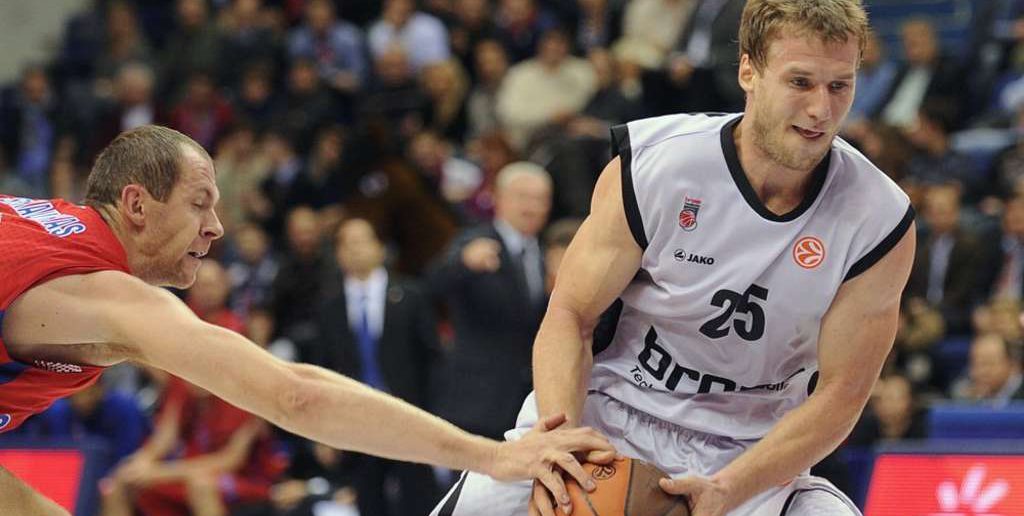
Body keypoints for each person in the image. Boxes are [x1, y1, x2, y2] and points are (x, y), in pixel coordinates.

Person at [430, 1, 916, 515]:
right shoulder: (657, 164)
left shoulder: (878, 219)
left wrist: (731, 487)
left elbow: (842, 395)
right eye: (801, 82)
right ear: (748, 71)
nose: (821, 109)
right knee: (486, 501)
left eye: (840, 86)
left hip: (751, 453)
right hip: (611, 414)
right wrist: (559, 441)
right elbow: (570, 316)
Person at [0, 125, 614, 516]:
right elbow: (294, 396)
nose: (216, 228)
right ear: (136, 204)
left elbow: (293, 380)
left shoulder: (41, 226)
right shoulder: (101, 293)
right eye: (199, 204)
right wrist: (496, 458)